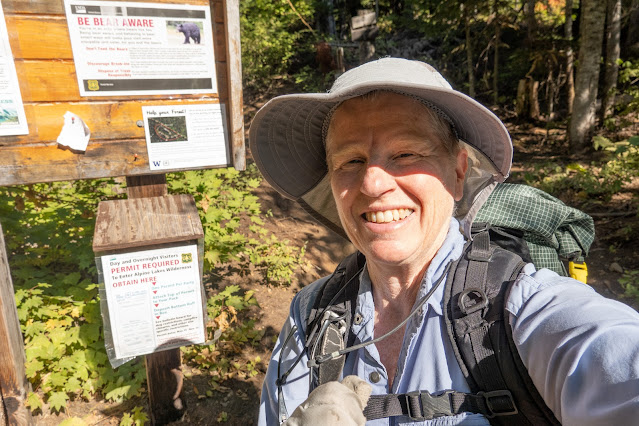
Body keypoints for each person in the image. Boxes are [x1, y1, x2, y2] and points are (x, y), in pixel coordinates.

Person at [248, 58, 639, 425]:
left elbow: (615, 357)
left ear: (458, 173)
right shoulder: (311, 315)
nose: (372, 183)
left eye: (405, 153)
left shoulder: (522, 308)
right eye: (351, 160)